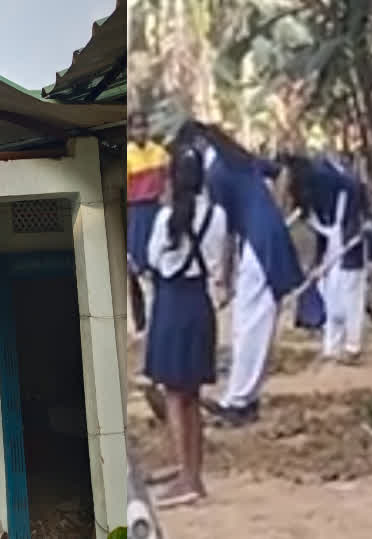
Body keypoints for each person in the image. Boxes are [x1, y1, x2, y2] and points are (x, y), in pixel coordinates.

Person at [175, 120, 325, 427]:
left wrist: (223, 279)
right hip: (265, 237)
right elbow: (283, 172)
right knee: (251, 323)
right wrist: (277, 211)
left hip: (257, 246)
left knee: (250, 326)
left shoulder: (215, 173)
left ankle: (240, 401)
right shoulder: (236, 158)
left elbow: (226, 233)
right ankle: (243, 396)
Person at [143, 146, 229, 507]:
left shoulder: (165, 219)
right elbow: (218, 261)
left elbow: (152, 261)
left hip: (171, 304)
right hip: (200, 304)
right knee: (191, 394)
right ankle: (194, 474)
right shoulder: (218, 216)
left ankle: (185, 476)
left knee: (175, 397)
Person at [288, 155, 368, 364]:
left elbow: (354, 216)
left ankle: (352, 346)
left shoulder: (336, 186)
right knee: (330, 294)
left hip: (349, 243)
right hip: (332, 242)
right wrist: (319, 262)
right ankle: (332, 346)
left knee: (350, 295)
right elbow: (321, 228)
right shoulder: (319, 193)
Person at [127, 111, 169, 333]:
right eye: (136, 127)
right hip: (134, 212)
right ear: (131, 131)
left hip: (156, 210)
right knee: (135, 267)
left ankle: (159, 319)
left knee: (158, 265)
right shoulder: (127, 157)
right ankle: (141, 323)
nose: (141, 131)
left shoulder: (160, 154)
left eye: (144, 126)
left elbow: (168, 184)